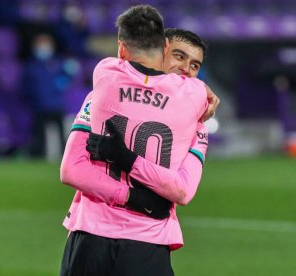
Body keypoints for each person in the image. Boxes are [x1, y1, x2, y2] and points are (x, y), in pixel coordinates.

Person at [59, 5, 218, 275]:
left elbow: (184, 190)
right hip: (132, 238)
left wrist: (128, 162)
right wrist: (137, 198)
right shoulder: (197, 107)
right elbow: (71, 169)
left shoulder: (104, 84)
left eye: (195, 66)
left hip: (100, 237)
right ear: (162, 50)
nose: (185, 71)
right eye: (179, 56)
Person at [22, 33, 70, 158]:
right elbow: (26, 87)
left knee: (61, 135)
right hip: (39, 106)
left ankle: (65, 157)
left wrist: (65, 79)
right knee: (39, 136)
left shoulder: (57, 63)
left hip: (56, 105)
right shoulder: (31, 66)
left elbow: (67, 77)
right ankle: (38, 157)